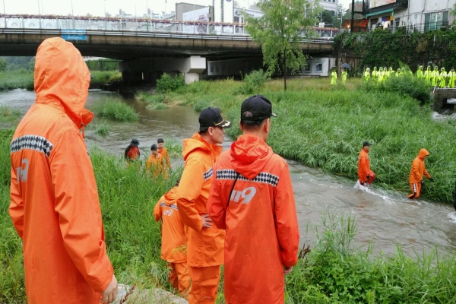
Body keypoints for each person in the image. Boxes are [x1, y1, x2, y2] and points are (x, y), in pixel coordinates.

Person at [9, 37, 118, 304]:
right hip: (69, 285)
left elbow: (18, 211)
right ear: (73, 78)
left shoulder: (23, 129)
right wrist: (102, 275)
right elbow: (78, 215)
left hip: (40, 278)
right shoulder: (63, 132)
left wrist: (42, 243)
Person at [207, 95, 299, 304]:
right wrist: (289, 259)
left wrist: (235, 224)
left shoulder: (222, 162)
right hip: (268, 268)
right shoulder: (277, 166)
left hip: (235, 263)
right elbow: (287, 224)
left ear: (240, 125)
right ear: (267, 124)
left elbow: (214, 211)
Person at [176, 107, 231, 304]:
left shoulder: (211, 154)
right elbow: (182, 198)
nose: (224, 132)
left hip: (212, 239)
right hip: (204, 241)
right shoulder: (198, 159)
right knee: (203, 293)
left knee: (210, 289)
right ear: (210, 130)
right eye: (221, 128)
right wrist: (197, 220)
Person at [153, 179, 190, 298]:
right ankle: (184, 299)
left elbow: (156, 215)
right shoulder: (184, 202)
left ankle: (171, 296)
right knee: (184, 278)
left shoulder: (163, 199)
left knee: (171, 274)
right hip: (181, 248)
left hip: (167, 246)